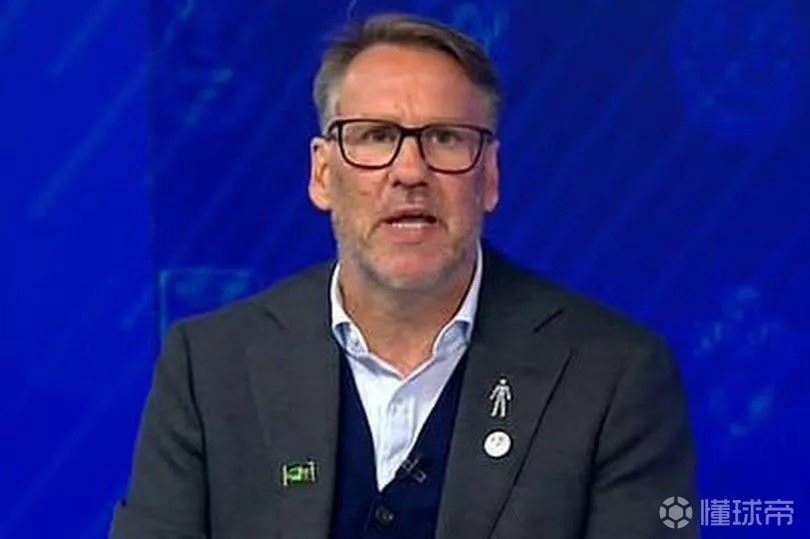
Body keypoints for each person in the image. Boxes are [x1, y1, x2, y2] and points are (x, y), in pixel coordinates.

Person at [110, 13, 697, 539]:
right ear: (323, 174)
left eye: (445, 139)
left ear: (489, 177)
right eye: (376, 137)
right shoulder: (210, 368)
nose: (410, 171)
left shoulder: (613, 377)